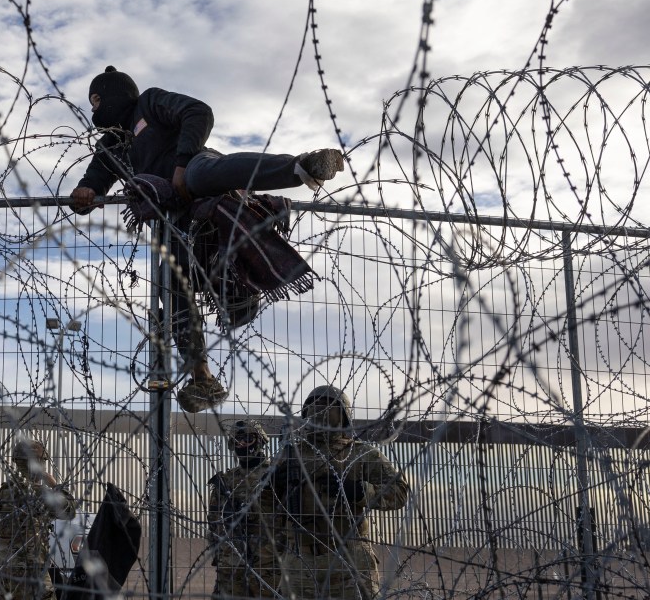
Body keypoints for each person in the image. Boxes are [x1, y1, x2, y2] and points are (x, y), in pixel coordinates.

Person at [69, 66, 346, 412]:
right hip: (182, 224)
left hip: (199, 169)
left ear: (113, 95)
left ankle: (302, 167)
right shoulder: (111, 145)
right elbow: (92, 183)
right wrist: (83, 194)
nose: (94, 110)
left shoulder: (149, 104)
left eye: (96, 100)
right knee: (171, 281)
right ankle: (202, 379)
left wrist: (182, 164)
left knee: (201, 175)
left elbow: (198, 112)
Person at [275, 386, 409, 600]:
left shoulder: (361, 453)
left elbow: (400, 492)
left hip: (349, 556)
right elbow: (261, 507)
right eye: (315, 406)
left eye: (328, 406)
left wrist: (358, 490)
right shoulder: (290, 455)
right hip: (300, 557)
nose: (320, 411)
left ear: (343, 414)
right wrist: (274, 485)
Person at [207, 420, 284, 599]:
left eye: (248, 439)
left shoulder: (274, 475)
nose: (242, 444)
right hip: (232, 565)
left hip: (267, 563)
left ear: (259, 441)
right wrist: (222, 556)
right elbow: (214, 523)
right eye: (238, 440)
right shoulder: (225, 481)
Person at [0, 438, 78, 600]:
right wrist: (56, 486)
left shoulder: (4, 491)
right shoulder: (39, 494)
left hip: (5, 569)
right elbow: (70, 511)